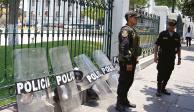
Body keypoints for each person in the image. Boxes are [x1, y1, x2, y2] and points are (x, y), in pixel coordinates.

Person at [116, 11, 142, 111]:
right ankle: (119, 103)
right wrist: (128, 62)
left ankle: (124, 100)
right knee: (123, 82)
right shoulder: (125, 30)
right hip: (127, 62)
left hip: (132, 60)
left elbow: (133, 46)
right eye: (135, 17)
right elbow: (124, 47)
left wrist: (135, 59)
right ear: (129, 18)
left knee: (129, 81)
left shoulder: (132, 30)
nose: (137, 19)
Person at [154, 19, 181, 97]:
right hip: (162, 58)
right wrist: (155, 57)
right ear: (168, 25)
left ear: (175, 26)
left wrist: (179, 58)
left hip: (171, 58)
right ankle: (158, 89)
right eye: (170, 25)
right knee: (161, 73)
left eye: (173, 25)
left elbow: (179, 48)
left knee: (168, 74)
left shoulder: (177, 35)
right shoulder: (163, 34)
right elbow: (156, 45)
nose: (171, 27)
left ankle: (163, 88)